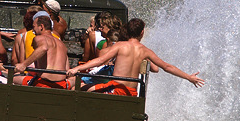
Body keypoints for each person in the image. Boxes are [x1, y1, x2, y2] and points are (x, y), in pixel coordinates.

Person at [67, 18, 204, 96]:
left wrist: (77, 69)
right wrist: (189, 77)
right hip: (132, 93)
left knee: (75, 88)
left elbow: (101, 60)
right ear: (142, 32)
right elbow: (166, 67)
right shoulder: (145, 51)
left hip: (115, 89)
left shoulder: (120, 45)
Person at [14, 15, 70, 88]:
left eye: (34, 27)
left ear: (41, 26)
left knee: (13, 78)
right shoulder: (62, 44)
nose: (33, 31)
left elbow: (43, 48)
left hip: (43, 83)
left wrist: (23, 65)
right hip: (61, 84)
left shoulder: (40, 38)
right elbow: (67, 68)